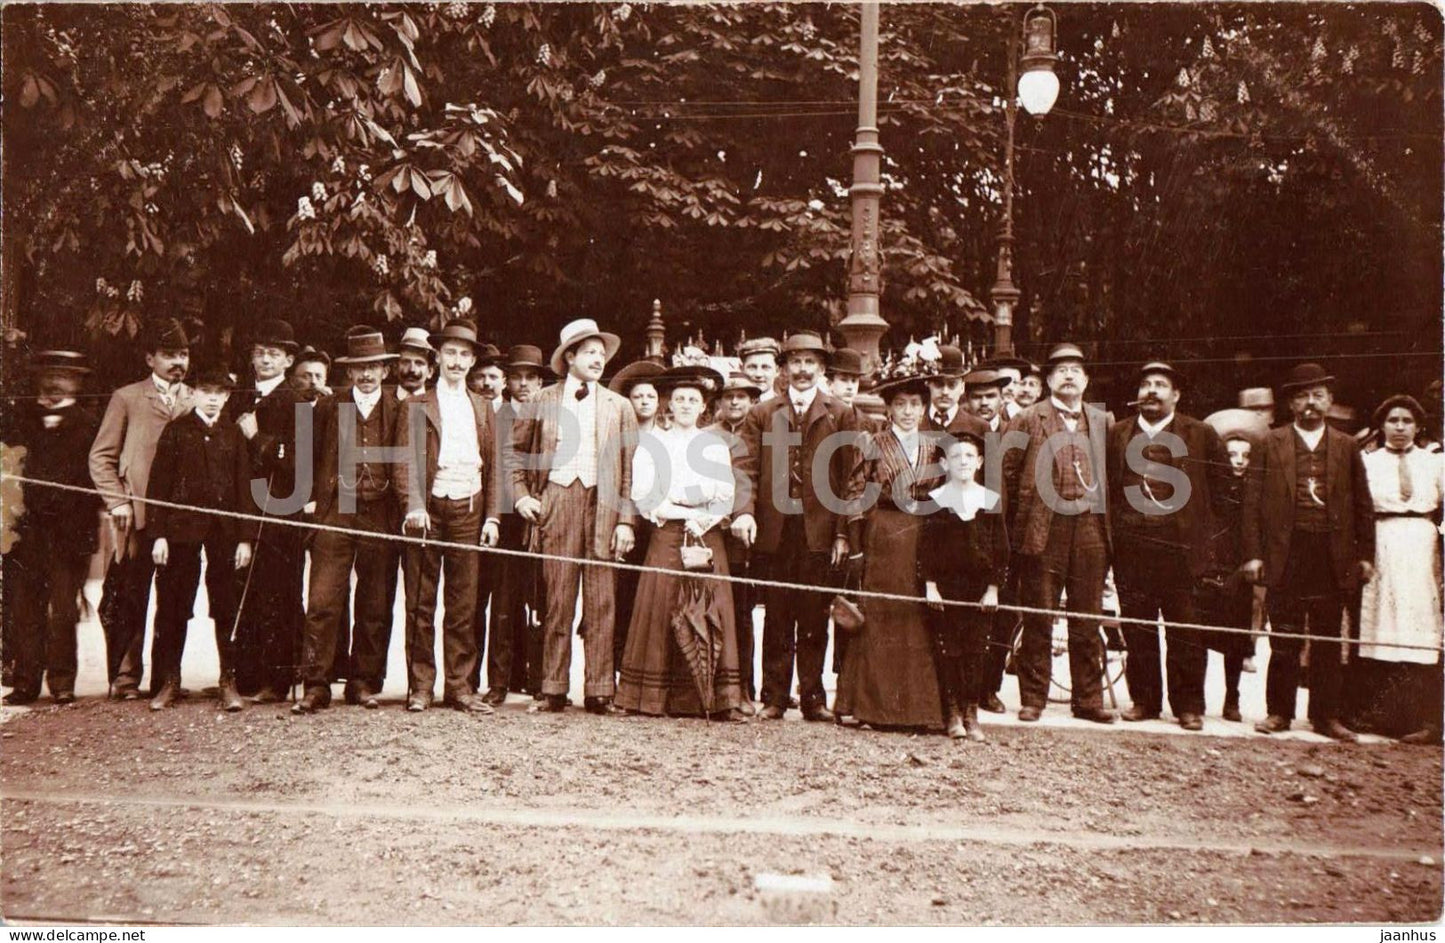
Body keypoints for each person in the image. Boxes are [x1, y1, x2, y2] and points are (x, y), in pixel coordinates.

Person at [731, 331, 864, 722]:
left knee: (813, 615)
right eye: (795, 362)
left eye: (811, 363)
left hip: (819, 530)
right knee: (776, 613)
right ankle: (774, 696)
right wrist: (745, 512)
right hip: (775, 528)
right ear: (783, 370)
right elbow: (745, 468)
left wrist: (842, 532)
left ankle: (812, 697)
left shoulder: (840, 413)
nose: (803, 370)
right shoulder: (763, 413)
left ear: (822, 369)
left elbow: (850, 476)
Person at [510, 318, 638, 715]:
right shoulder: (542, 400)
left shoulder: (620, 406)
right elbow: (514, 454)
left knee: (602, 600)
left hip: (604, 504)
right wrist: (522, 498)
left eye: (602, 353)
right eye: (589, 353)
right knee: (557, 599)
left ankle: (600, 691)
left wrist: (625, 521)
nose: (598, 359)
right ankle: (552, 688)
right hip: (557, 500)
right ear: (569, 358)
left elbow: (632, 468)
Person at [1243, 363, 1375, 741]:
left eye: (1318, 395)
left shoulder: (1347, 446)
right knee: (1283, 636)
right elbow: (1251, 504)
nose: (1310, 404)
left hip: (1332, 555)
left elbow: (1363, 506)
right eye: (1302, 396)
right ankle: (1279, 713)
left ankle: (1325, 716)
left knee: (1328, 639)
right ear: (1290, 403)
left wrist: (1365, 555)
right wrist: (1254, 554)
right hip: (1287, 551)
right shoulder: (1270, 443)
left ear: (1330, 400)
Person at [1105, 362, 1228, 731]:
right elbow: (1110, 490)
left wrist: (1210, 547)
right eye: (1145, 384)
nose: (1152, 391)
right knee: (1138, 627)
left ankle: (1188, 705)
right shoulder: (1117, 435)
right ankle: (1144, 700)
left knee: (1186, 629)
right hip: (1134, 549)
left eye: (1161, 384)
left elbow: (1223, 495)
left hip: (1182, 550)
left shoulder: (1200, 433)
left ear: (1176, 395)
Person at [617, 365, 744, 719]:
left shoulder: (715, 445)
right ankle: (651, 698)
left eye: (694, 400)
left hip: (707, 535)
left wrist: (704, 515)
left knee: (712, 606)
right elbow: (646, 496)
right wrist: (684, 509)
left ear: (704, 407)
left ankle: (718, 700)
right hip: (668, 534)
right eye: (679, 399)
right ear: (668, 406)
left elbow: (725, 492)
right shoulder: (653, 445)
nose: (686, 405)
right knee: (661, 606)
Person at [1000, 342, 1115, 724]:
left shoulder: (1102, 421)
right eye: (1060, 370)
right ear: (1048, 380)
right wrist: (1017, 531)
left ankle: (1089, 699)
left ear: (1086, 380)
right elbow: (1007, 475)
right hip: (1042, 529)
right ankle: (1033, 698)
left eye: (1075, 370)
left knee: (1088, 617)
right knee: (1038, 617)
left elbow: (1111, 476)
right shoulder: (1029, 419)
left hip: (1088, 529)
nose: (1069, 375)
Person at [392, 317, 502, 714]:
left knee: (463, 604)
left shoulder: (484, 407)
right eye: (450, 353)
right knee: (421, 602)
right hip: (429, 510)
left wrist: (492, 517)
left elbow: (493, 467)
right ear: (437, 357)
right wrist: (415, 505)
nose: (456, 361)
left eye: (464, 354)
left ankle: (460, 687)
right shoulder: (416, 405)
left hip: (468, 509)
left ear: (473, 361)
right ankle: (420, 687)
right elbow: (404, 461)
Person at [294, 329, 401, 713]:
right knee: (323, 599)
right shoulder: (328, 406)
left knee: (375, 602)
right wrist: (312, 506)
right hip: (336, 510)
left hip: (380, 513)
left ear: (385, 371)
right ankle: (316, 683)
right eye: (359, 368)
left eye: (373, 366)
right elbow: (308, 457)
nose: (367, 374)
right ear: (350, 372)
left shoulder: (399, 407)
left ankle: (364, 682)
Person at [834, 372, 945, 731]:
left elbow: (944, 493)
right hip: (882, 533)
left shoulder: (936, 445)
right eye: (900, 404)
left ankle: (915, 710)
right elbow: (854, 492)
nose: (908, 411)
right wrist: (854, 541)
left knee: (916, 619)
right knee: (879, 615)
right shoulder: (873, 443)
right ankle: (872, 707)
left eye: (915, 404)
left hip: (922, 534)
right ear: (889, 409)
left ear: (924, 407)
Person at [89, 318, 194, 699]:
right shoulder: (127, 398)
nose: (177, 362)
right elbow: (100, 457)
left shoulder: (196, 400)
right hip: (136, 519)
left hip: (180, 522)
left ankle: (167, 679)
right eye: (168, 355)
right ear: (150, 358)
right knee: (131, 598)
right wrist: (117, 500)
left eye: (183, 354)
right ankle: (125, 677)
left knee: (176, 604)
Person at [144, 365, 254, 711]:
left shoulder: (233, 434)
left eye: (220, 393)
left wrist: (245, 539)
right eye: (206, 391)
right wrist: (158, 535)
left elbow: (243, 488)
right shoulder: (176, 431)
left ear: (227, 397)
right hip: (180, 532)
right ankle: (170, 681)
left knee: (226, 604)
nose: (212, 399)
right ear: (193, 393)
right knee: (174, 604)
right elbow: (158, 487)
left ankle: (228, 681)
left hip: (224, 533)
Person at [2, 351, 102, 706]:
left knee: (62, 609)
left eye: (64, 375)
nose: (55, 382)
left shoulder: (90, 425)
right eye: (49, 374)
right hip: (28, 534)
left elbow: (97, 483)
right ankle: (26, 682)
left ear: (76, 382)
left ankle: (62, 682)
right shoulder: (21, 420)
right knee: (25, 609)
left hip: (69, 536)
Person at [1353, 395, 1442, 743]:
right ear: (1382, 426)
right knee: (1382, 625)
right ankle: (1382, 716)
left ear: (1418, 426)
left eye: (1407, 421)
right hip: (1383, 542)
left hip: (1421, 544)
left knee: (1419, 624)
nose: (1400, 427)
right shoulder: (1367, 461)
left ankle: (1424, 721)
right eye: (1393, 421)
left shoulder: (1435, 463)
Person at [923, 433, 1008, 740]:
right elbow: (927, 549)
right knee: (949, 650)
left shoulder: (989, 499)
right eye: (956, 457)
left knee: (976, 650)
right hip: (946, 589)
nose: (963, 462)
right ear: (945, 463)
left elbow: (1001, 551)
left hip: (979, 590)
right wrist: (931, 585)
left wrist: (993, 589)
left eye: (969, 457)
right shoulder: (935, 501)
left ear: (979, 462)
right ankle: (952, 713)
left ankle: (971, 713)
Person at [481, 344, 549, 705]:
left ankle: (539, 681)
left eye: (531, 377)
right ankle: (498, 682)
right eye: (518, 377)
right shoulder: (497, 416)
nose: (524, 384)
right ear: (508, 382)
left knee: (541, 599)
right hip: (508, 517)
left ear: (540, 381)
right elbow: (498, 466)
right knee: (504, 601)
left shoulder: (552, 413)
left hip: (544, 514)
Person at [1198, 409, 1270, 722]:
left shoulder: (1258, 492)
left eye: (1245, 455)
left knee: (1237, 639)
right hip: (1210, 569)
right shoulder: (1211, 489)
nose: (1238, 460)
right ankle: (1195, 699)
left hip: (1240, 572)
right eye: (1232, 454)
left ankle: (1232, 699)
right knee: (1199, 635)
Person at [707, 371, 764, 710]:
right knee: (719, 607)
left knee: (744, 611)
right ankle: (720, 686)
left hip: (749, 531)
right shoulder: (706, 436)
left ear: (751, 400)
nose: (734, 402)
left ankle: (745, 687)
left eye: (742, 396)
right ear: (718, 403)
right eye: (728, 396)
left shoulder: (758, 435)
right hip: (716, 529)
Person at [608, 359, 667, 676]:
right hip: (625, 523)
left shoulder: (667, 437)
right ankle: (620, 668)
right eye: (638, 397)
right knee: (624, 594)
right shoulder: (620, 438)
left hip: (657, 525)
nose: (644, 402)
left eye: (650, 396)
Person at [921, 346, 989, 439]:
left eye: (952, 385)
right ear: (928, 384)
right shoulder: (914, 423)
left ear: (962, 387)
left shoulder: (980, 427)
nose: (945, 392)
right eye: (938, 384)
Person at [963, 366, 1009, 433]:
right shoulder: (957, 431)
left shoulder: (1013, 432)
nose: (984, 403)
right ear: (967, 400)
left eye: (990, 396)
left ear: (1002, 398)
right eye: (977, 397)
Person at [737, 337, 781, 403]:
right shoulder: (732, 409)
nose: (758, 374)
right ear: (741, 369)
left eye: (765, 367)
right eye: (752, 367)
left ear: (777, 370)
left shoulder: (787, 409)